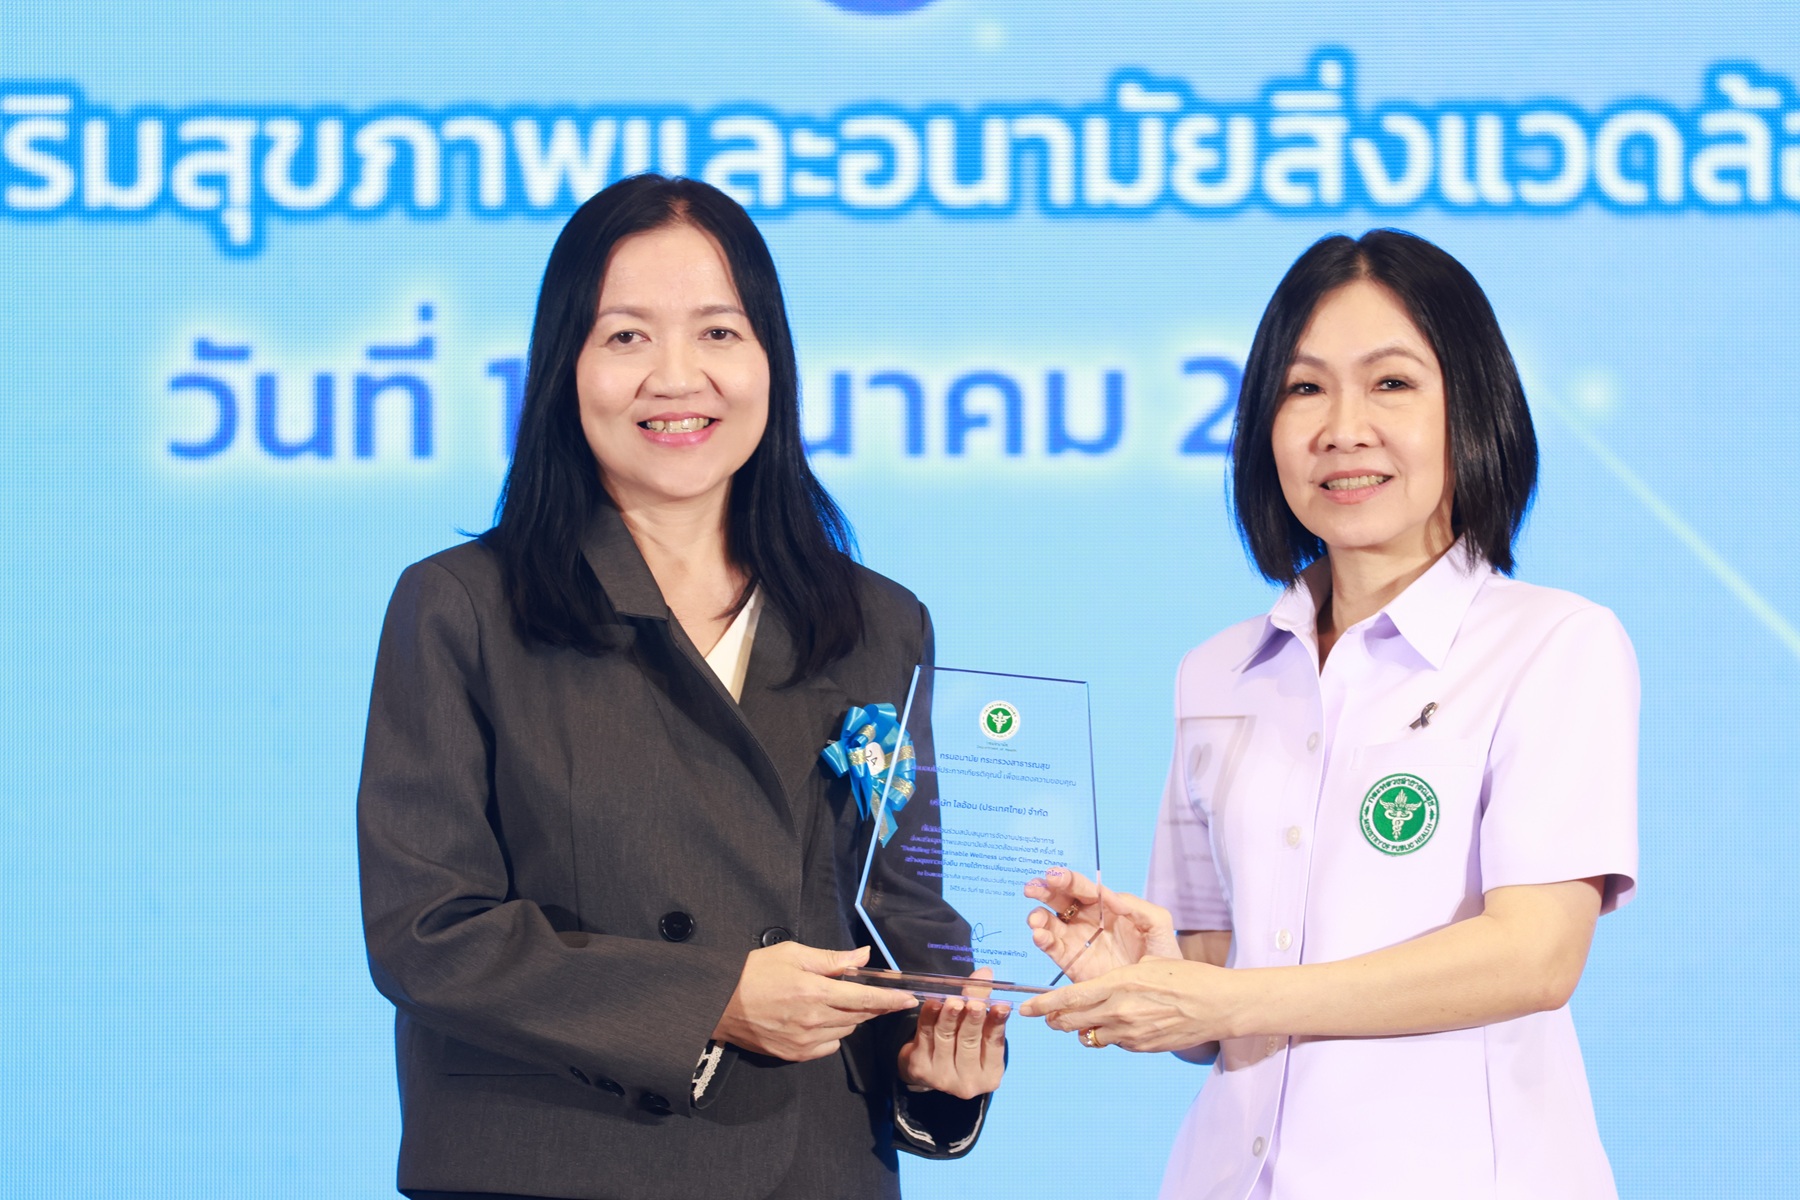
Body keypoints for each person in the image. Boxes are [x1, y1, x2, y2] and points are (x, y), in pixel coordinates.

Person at [358, 174, 1007, 1200]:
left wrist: (937, 1065)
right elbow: (427, 933)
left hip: (809, 1172)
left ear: (770, 360)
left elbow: (900, 912)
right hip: (553, 1168)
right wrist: (710, 1001)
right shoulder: (463, 605)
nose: (676, 377)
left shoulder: (878, 623)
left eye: (718, 333)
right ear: (566, 366)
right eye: (626, 336)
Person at [1019, 230, 1637, 1199]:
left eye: (1391, 383)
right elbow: (1221, 975)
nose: (1343, 429)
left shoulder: (1553, 643)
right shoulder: (1217, 673)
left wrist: (1229, 998)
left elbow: (1536, 955)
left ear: (1473, 408)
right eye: (1304, 389)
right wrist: (1154, 971)